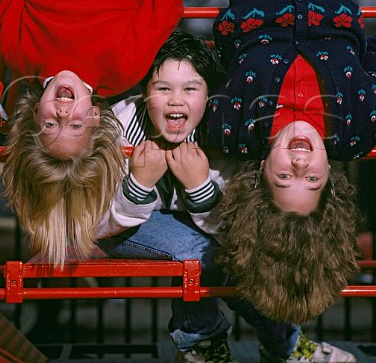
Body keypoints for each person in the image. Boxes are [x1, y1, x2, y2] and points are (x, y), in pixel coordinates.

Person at [93, 30, 355, 363]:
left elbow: (236, 229)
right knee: (196, 250)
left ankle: (286, 345)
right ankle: (201, 346)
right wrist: (139, 185)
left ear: (209, 95)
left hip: (201, 224)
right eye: (162, 88)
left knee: (237, 258)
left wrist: (200, 187)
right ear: (145, 94)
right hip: (123, 224)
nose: (176, 100)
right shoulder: (119, 125)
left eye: (190, 88)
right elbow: (96, 218)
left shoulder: (224, 133)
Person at [203, 0, 369, 357]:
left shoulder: (230, 128)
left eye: (284, 175)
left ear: (260, 173)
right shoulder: (357, 127)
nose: (299, 159)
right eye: (311, 178)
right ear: (330, 180)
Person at [0, 0, 187, 266]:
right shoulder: (123, 68)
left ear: (32, 118)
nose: (62, 115)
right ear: (94, 117)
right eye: (73, 128)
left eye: (49, 127)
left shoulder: (19, 50)